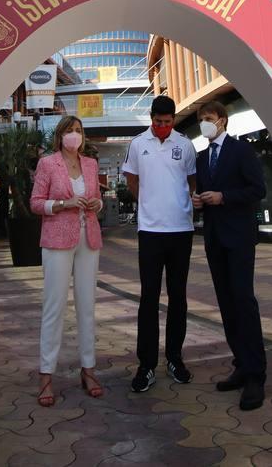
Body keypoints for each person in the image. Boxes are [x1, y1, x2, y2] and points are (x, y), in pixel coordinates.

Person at [192, 100, 267, 411]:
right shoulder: (201, 157)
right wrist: (199, 201)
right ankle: (241, 363)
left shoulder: (241, 150)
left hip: (239, 237)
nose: (204, 124)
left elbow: (258, 189)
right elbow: (204, 194)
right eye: (201, 120)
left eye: (208, 119)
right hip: (214, 238)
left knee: (242, 299)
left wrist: (225, 197)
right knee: (225, 301)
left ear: (222, 120)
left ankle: (256, 375)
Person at [122, 94, 197, 393]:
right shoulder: (138, 144)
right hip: (150, 232)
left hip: (181, 231)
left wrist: (179, 204)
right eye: (157, 122)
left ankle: (175, 359)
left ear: (174, 120)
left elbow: (191, 182)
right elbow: (131, 180)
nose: (162, 127)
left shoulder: (186, 144)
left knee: (178, 297)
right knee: (149, 298)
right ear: (151, 118)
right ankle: (147, 364)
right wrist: (150, 204)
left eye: (167, 122)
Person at [30, 115, 103, 406]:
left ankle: (89, 369)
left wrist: (95, 203)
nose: (75, 135)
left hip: (89, 240)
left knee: (87, 306)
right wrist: (63, 204)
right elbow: (35, 203)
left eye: (79, 130)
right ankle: (46, 374)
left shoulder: (91, 164)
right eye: (70, 131)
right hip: (57, 241)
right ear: (60, 136)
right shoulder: (48, 163)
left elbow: (95, 198)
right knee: (54, 307)